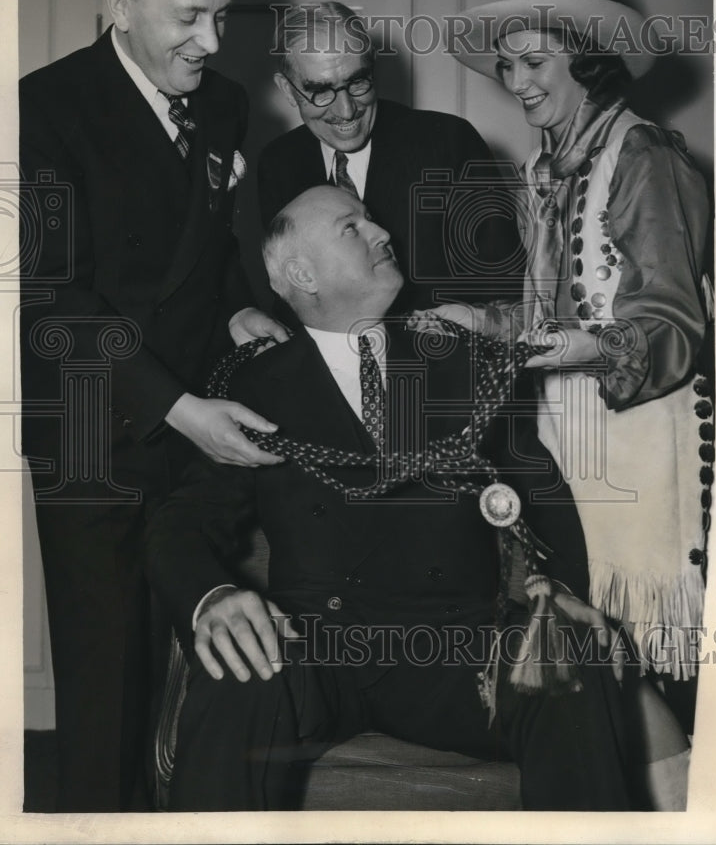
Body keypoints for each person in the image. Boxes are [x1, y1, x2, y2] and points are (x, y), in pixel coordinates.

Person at [144, 184, 635, 813]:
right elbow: (182, 522)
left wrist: (561, 591)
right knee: (238, 672)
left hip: (454, 650)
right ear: (302, 274)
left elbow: (538, 488)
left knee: (564, 671)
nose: (382, 234)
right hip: (315, 643)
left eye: (374, 220)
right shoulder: (250, 385)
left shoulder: (461, 360)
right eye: (353, 228)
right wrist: (213, 597)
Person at [19, 0, 287, 811]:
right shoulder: (39, 108)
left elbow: (206, 256)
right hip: (96, 441)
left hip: (195, 432)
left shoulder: (225, 103)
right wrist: (179, 409)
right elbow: (53, 297)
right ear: (119, 4)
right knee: (106, 696)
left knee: (216, 677)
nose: (212, 40)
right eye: (188, 17)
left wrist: (243, 307)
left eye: (221, 15)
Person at [415, 0, 711, 770]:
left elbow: (673, 327)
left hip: (645, 441)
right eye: (506, 63)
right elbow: (557, 310)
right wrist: (484, 318)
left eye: (533, 61)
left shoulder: (645, 157)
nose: (515, 81)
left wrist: (578, 346)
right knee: (599, 653)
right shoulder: (549, 165)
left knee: (657, 652)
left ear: (585, 59)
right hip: (569, 444)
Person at [257, 1, 524, 314]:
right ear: (287, 91)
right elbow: (291, 297)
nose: (346, 110)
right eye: (320, 91)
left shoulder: (449, 143)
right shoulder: (277, 163)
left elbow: (504, 293)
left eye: (357, 82)